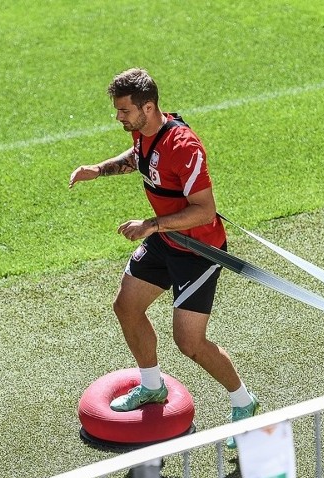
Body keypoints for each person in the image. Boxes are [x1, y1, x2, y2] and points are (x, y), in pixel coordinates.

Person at [69, 68, 258, 448]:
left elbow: (205, 211)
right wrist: (99, 169)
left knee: (189, 343)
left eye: (124, 111)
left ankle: (244, 402)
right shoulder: (145, 130)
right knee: (126, 306)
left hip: (197, 251)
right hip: (164, 238)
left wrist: (151, 224)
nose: (119, 118)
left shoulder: (185, 147)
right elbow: (140, 157)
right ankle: (152, 386)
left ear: (148, 107)